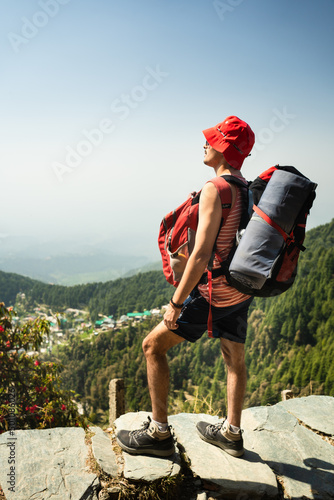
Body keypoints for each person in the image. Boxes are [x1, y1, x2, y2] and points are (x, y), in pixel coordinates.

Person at [116, 116, 255, 458]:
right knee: (233, 356)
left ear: (224, 147)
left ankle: (160, 435)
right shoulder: (247, 188)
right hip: (241, 289)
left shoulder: (215, 188)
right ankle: (232, 434)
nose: (205, 144)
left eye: (211, 140)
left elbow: (200, 255)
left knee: (152, 346)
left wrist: (176, 304)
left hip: (213, 293)